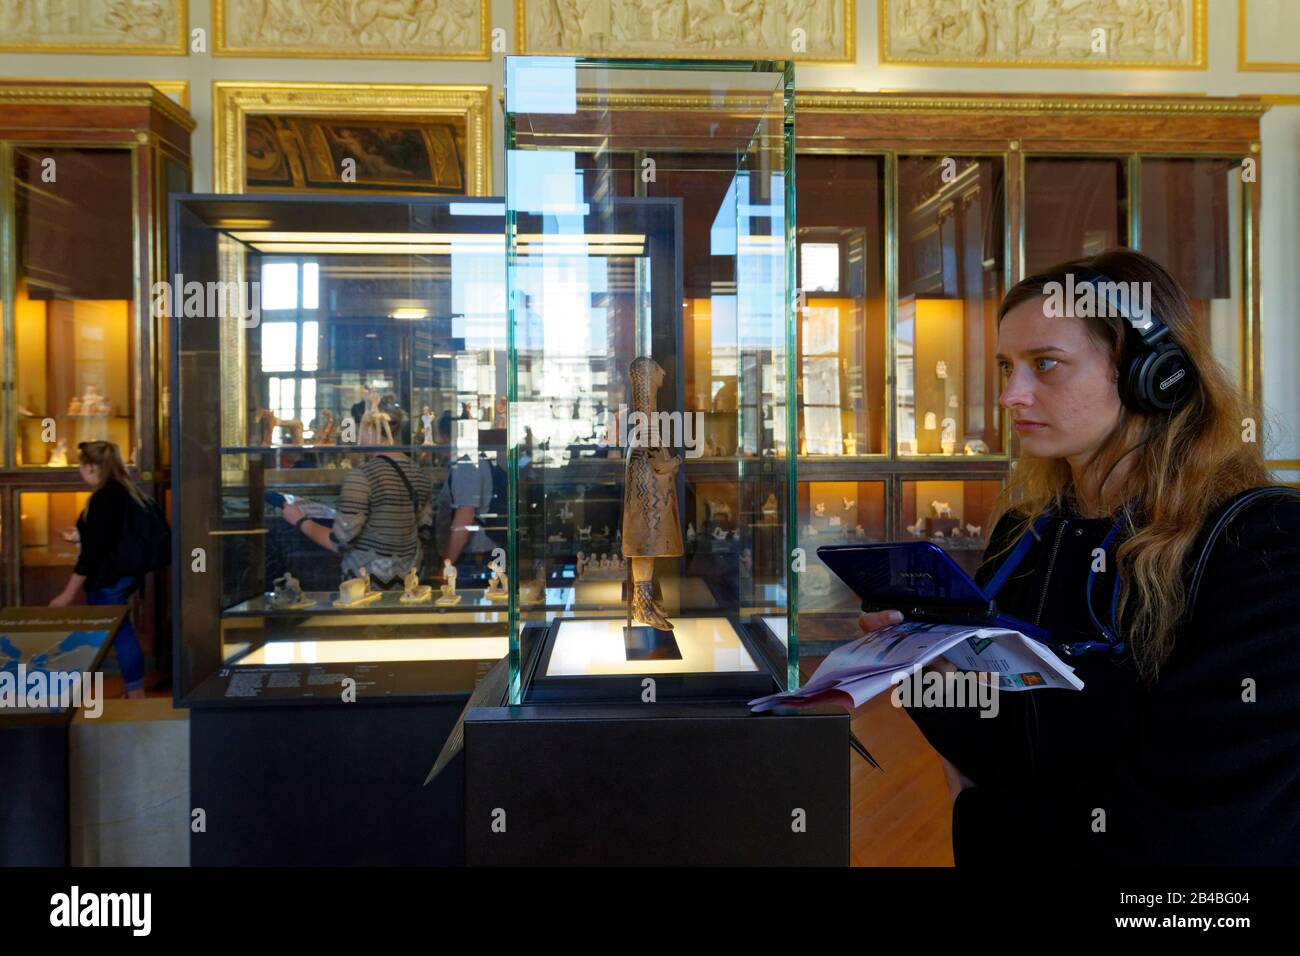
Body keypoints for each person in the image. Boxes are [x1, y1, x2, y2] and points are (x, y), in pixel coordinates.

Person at [859, 248, 1300, 866]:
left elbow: (1202, 817)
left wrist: (985, 810)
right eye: (1007, 366)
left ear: (1154, 374)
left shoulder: (1262, 543)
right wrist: (919, 665)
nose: (1012, 394)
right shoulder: (1028, 531)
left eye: (1046, 365)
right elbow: (999, 744)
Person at [49, 441, 152, 699]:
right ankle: (133, 692)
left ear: (91, 467)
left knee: (119, 632)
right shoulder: (127, 492)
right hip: (125, 575)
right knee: (120, 630)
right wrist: (82, 537)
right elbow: (112, 538)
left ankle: (135, 694)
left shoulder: (103, 498)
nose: (80, 472)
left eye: (81, 467)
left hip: (109, 578)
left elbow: (94, 554)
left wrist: (67, 594)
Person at [283, 412, 433, 588]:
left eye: (357, 427)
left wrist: (300, 520)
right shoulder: (420, 474)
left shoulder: (362, 476)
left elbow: (340, 542)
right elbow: (424, 534)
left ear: (370, 429)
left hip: (365, 587)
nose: (355, 435)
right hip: (410, 584)